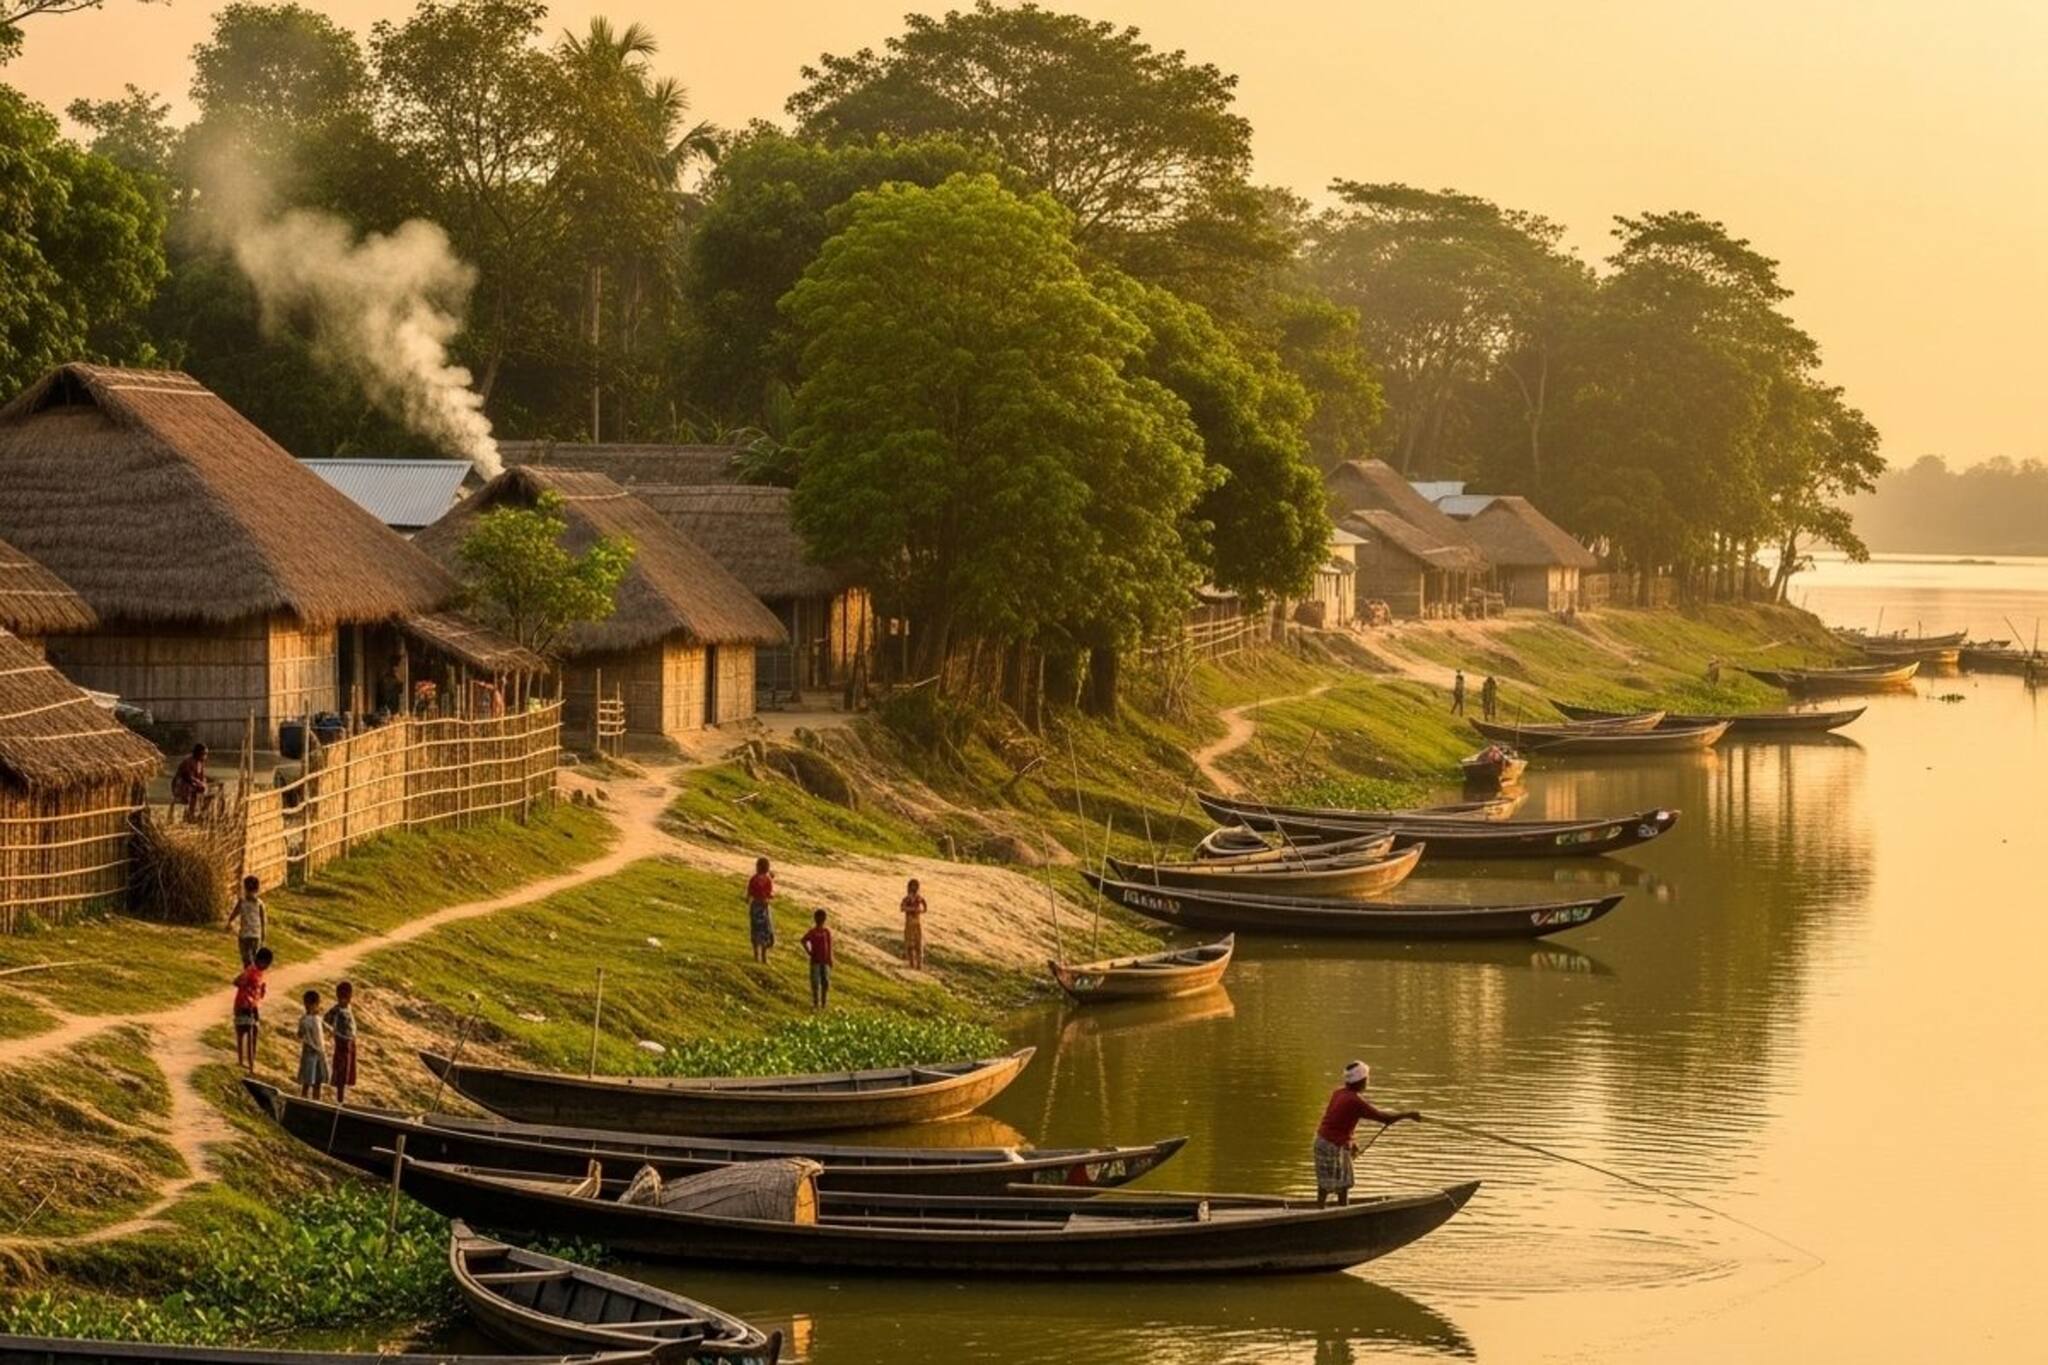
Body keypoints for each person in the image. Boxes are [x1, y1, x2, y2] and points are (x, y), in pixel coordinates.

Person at [1313, 1060, 1422, 1208]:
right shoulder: (1355, 1101)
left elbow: (1338, 1120)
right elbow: (1385, 1118)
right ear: (1361, 1081)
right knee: (1344, 1184)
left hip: (1321, 1141)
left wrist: (1352, 1143)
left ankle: (1320, 1208)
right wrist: (1409, 1115)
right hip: (1334, 1145)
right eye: (1367, 1079)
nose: (1368, 1081)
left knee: (1324, 1183)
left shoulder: (1338, 1093)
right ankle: (1343, 1213)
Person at [231, 947, 273, 1073]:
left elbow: (257, 990)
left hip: (253, 1005)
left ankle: (249, 1062)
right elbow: (237, 981)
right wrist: (246, 987)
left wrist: (261, 991)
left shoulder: (259, 972)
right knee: (244, 1032)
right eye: (266, 964)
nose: (266, 967)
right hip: (244, 1005)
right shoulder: (251, 971)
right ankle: (246, 1064)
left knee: (253, 1032)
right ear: (261, 961)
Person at [328, 980, 358, 1106]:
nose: (346, 1000)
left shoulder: (348, 1008)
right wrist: (334, 1032)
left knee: (348, 1070)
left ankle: (342, 1096)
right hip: (341, 1042)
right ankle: (339, 1098)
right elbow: (326, 1019)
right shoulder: (337, 1009)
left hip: (350, 1041)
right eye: (344, 998)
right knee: (341, 1069)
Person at [225, 874, 266, 967]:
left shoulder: (247, 902)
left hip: (248, 935)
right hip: (252, 935)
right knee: (250, 958)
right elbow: (263, 921)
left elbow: (235, 912)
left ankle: (251, 976)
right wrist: (263, 935)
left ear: (245, 889)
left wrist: (229, 921)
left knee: (247, 958)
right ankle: (253, 976)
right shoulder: (258, 903)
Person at [295, 989, 330, 1099]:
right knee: (308, 1079)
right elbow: (300, 1034)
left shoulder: (317, 1019)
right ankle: (304, 1097)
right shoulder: (305, 1020)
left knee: (317, 1081)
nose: (316, 1007)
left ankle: (316, 1100)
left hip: (320, 1052)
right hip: (310, 1051)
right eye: (314, 1005)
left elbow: (326, 1029)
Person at [799, 908, 834, 1010]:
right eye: (819, 918)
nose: (821, 920)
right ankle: (816, 1003)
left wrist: (830, 959)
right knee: (815, 982)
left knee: (825, 983)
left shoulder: (826, 932)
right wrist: (809, 952)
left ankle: (823, 1003)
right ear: (815, 919)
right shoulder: (813, 932)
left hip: (824, 961)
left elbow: (829, 946)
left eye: (822, 918)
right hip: (815, 961)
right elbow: (803, 940)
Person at [746, 856, 776, 963]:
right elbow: (770, 895)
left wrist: (748, 899)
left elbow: (749, 893)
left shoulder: (753, 879)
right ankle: (764, 956)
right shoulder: (768, 880)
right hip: (764, 907)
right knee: (765, 931)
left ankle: (756, 955)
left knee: (755, 930)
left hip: (755, 906)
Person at [172, 743, 210, 820]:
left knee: (207, 791)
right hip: (181, 785)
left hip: (192, 784)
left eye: (206, 754)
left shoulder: (200, 763)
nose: (205, 756)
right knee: (195, 790)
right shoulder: (188, 761)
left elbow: (202, 777)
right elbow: (187, 776)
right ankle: (190, 814)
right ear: (198, 753)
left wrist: (204, 782)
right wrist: (199, 783)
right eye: (203, 753)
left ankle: (200, 814)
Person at [900, 878, 927, 970]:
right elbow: (902, 908)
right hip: (911, 923)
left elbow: (924, 905)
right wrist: (913, 909)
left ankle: (919, 964)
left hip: (916, 923)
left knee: (918, 943)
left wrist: (921, 910)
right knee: (910, 943)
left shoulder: (918, 898)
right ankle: (912, 963)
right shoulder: (907, 898)